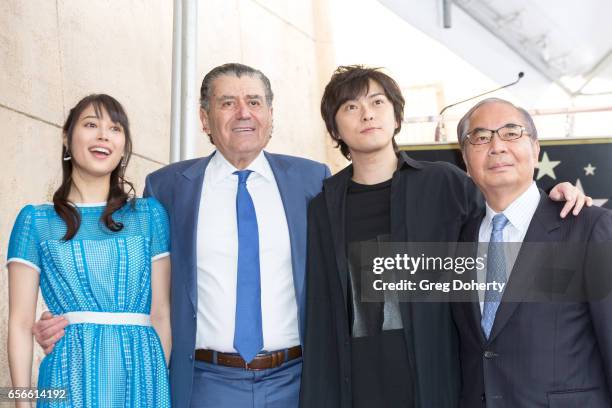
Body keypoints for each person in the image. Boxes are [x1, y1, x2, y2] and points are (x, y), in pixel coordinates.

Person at [32, 64, 330, 407]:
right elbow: (135, 279)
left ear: (270, 114)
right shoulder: (167, 188)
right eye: (228, 103)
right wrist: (67, 318)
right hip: (204, 383)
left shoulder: (312, 181)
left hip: (297, 382)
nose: (244, 113)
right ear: (205, 119)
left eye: (254, 102)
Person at [299, 66, 591, 408]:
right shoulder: (324, 206)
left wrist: (556, 193)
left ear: (396, 116)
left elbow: (507, 218)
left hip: (443, 381)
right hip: (359, 384)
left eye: (377, 102)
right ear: (334, 128)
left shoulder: (446, 184)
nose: (367, 114)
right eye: (350, 106)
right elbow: (321, 312)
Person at [7, 94, 171, 407]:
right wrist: (21, 402)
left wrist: (153, 383)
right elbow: (19, 323)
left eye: (115, 128)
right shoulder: (35, 221)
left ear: (123, 145)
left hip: (141, 379)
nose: (103, 135)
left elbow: (161, 313)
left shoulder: (149, 215)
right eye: (91, 124)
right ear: (66, 139)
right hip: (66, 378)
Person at [451, 98, 612, 407]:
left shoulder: (588, 228)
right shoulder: (458, 240)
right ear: (465, 161)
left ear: (535, 148)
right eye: (481, 137)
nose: (496, 146)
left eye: (511, 133)